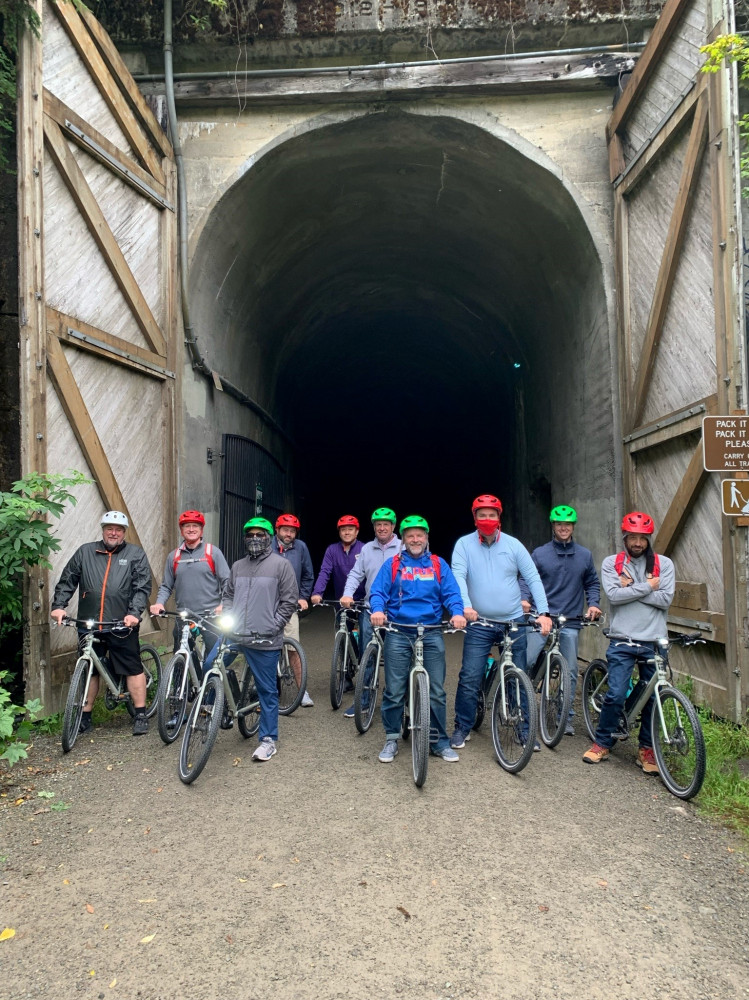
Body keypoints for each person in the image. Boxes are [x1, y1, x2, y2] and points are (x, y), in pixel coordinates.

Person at [450, 494, 552, 751]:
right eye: (481, 515)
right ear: (475, 518)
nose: (487, 519)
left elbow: (533, 578)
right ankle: (463, 725)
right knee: (470, 675)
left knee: (519, 676)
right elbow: (458, 576)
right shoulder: (464, 545)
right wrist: (465, 606)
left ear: (499, 518)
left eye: (491, 515)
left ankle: (524, 730)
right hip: (480, 622)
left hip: (513, 621)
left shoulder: (513, 545)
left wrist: (544, 612)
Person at [583, 511, 675, 774]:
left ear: (648, 539)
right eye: (633, 537)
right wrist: (647, 586)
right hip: (623, 638)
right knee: (615, 693)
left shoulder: (663, 564)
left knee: (653, 699)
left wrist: (630, 588)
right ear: (625, 538)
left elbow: (665, 600)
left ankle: (646, 749)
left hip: (653, 640)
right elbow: (613, 596)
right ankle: (602, 742)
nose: (637, 543)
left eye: (642, 538)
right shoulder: (612, 563)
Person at [369, 515, 466, 763]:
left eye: (419, 535)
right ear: (403, 539)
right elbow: (378, 592)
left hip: (431, 631)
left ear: (426, 538)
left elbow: (452, 592)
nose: (415, 539)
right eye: (410, 535)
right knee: (394, 690)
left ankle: (438, 742)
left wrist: (456, 613)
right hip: (399, 631)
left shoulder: (437, 564)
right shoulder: (392, 565)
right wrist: (378, 610)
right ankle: (391, 737)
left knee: (436, 691)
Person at [204, 517, 298, 761]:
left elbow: (289, 601)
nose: (255, 539)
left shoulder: (281, 565)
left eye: (260, 535)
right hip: (235, 634)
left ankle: (268, 740)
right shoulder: (238, 566)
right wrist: (226, 612)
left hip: (264, 638)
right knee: (210, 665)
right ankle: (214, 711)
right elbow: (229, 594)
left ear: (269, 537)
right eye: (250, 535)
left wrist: (274, 625)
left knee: (267, 691)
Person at [50, 511, 152, 736]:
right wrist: (58, 606)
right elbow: (68, 579)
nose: (113, 532)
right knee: (91, 670)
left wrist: (134, 613)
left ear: (124, 532)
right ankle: (85, 716)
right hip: (90, 624)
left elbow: (142, 586)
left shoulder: (135, 554)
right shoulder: (86, 551)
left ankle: (141, 713)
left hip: (121, 624)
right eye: (109, 528)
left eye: (118, 529)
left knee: (132, 667)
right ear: (103, 530)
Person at [521, 505, 601, 736]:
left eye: (567, 524)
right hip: (542, 617)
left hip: (570, 619)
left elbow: (592, 583)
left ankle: (563, 716)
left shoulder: (584, 555)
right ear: (553, 526)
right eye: (559, 524)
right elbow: (527, 579)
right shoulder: (539, 553)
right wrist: (525, 598)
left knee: (572, 668)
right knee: (527, 659)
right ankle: (522, 706)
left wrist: (593, 603)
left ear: (573, 527)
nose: (563, 528)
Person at [339, 507, 401, 717]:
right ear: (373, 527)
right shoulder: (366, 549)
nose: (382, 528)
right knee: (368, 656)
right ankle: (363, 701)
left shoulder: (403, 547)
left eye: (386, 524)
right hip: (370, 609)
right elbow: (356, 574)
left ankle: (396, 702)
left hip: (396, 611)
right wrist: (347, 594)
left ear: (393, 526)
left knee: (396, 657)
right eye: (378, 525)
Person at [149, 509, 231, 659]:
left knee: (214, 660)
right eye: (187, 526)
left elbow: (227, 582)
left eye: (195, 526)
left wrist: (224, 604)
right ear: (181, 530)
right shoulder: (174, 556)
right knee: (180, 658)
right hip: (184, 615)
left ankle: (210, 682)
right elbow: (167, 586)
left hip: (211, 615)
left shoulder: (212, 552)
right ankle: (184, 681)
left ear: (201, 530)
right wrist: (159, 603)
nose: (191, 529)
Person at [272, 513, 315, 707]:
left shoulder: (301, 547)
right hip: (267, 604)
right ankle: (265, 688)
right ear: (277, 530)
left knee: (293, 648)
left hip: (289, 605)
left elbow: (308, 575)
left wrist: (302, 597)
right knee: (264, 647)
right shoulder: (267, 545)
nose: (288, 534)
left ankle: (302, 691)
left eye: (292, 531)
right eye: (285, 530)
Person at [310, 515, 365, 605]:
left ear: (357, 532)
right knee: (340, 619)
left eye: (350, 529)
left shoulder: (364, 548)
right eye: (343, 530)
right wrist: (317, 593)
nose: (346, 532)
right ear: (339, 532)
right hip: (341, 600)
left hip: (362, 602)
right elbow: (325, 572)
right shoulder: (332, 550)